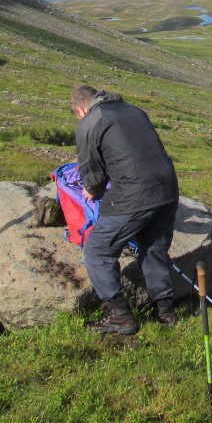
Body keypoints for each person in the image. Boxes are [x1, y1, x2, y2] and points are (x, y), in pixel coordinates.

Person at [70, 84, 180, 334]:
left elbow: (91, 170)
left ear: (80, 109)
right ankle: (166, 313)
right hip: (166, 188)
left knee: (97, 250)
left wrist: (92, 189)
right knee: (154, 248)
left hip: (133, 194)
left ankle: (120, 316)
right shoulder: (134, 110)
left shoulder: (89, 122)